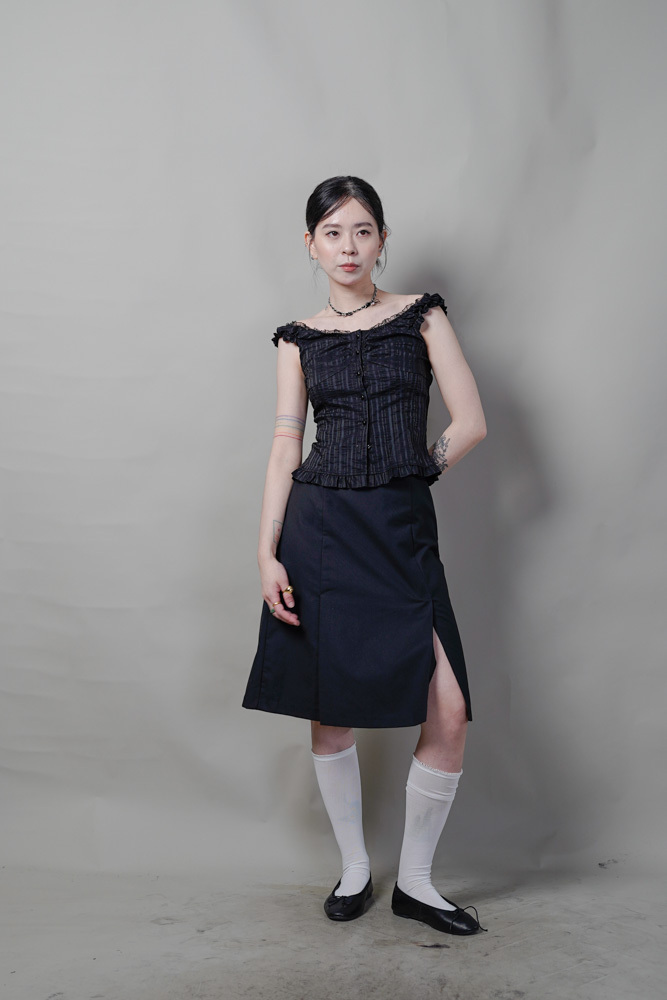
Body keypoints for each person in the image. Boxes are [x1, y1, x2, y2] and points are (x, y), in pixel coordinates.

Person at [242, 176, 488, 935]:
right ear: (310, 244)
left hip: (400, 527)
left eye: (362, 230)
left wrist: (416, 469)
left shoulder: (422, 315)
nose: (347, 247)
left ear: (382, 239)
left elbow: (470, 422)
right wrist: (266, 551)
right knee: (332, 708)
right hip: (320, 531)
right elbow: (286, 444)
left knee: (448, 707)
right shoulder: (298, 338)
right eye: (332, 232)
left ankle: (415, 882)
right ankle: (354, 868)